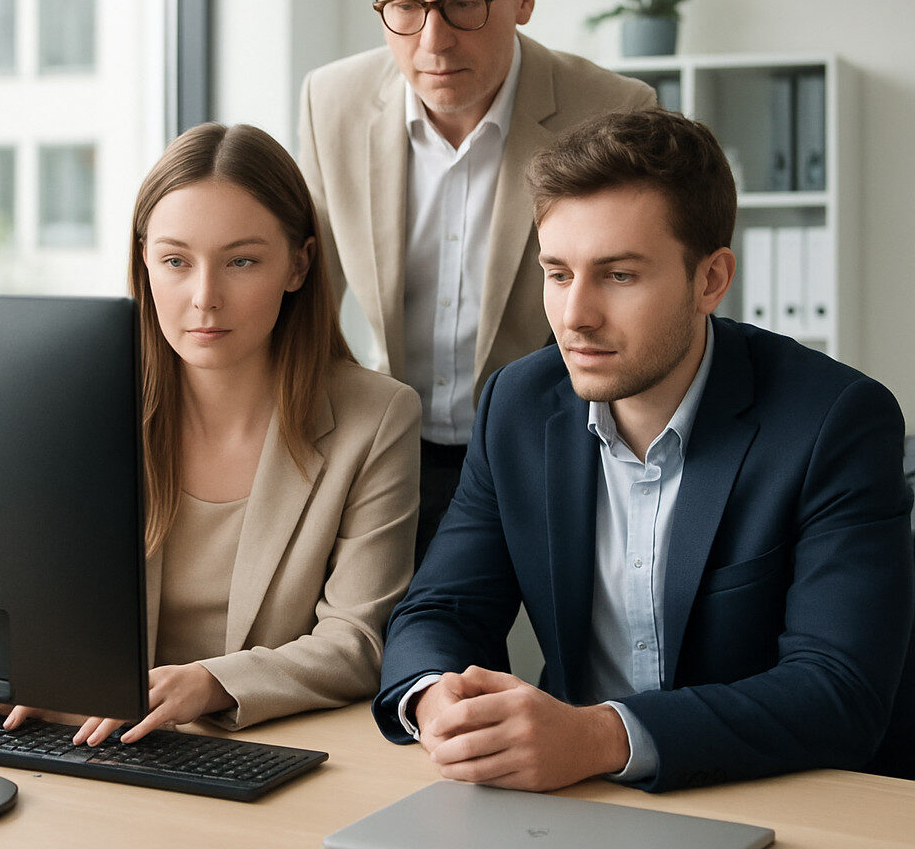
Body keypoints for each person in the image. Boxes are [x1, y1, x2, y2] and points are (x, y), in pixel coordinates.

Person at [373, 108, 914, 792]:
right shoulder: (517, 405)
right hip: (574, 799)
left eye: (619, 275)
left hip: (779, 796)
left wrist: (600, 735)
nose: (576, 316)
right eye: (559, 273)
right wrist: (433, 698)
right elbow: (439, 610)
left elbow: (839, 691)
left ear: (711, 280)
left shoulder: (834, 422)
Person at [0, 122, 421, 743]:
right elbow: (29, 603)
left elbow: (357, 641)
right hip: (102, 739)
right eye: (175, 261)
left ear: (299, 264)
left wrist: (208, 682)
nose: (204, 297)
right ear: (144, 264)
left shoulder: (377, 418)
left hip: (272, 749)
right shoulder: (78, 404)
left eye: (241, 261)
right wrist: (20, 669)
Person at [298, 0, 655, 562]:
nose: (433, 41)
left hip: (563, 441)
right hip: (392, 447)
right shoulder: (331, 102)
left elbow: (636, 308)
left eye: (464, 2)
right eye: (403, 6)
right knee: (402, 653)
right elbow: (307, 294)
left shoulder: (615, 112)